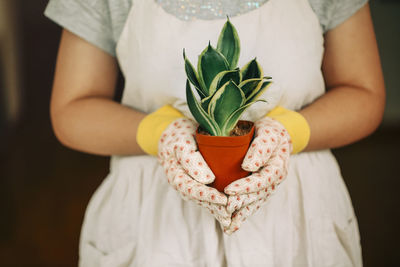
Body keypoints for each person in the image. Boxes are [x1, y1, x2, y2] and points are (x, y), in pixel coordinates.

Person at [45, 0, 385, 266]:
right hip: (154, 221)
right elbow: (71, 109)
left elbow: (364, 93)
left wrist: (289, 131)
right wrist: (158, 133)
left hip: (297, 220)